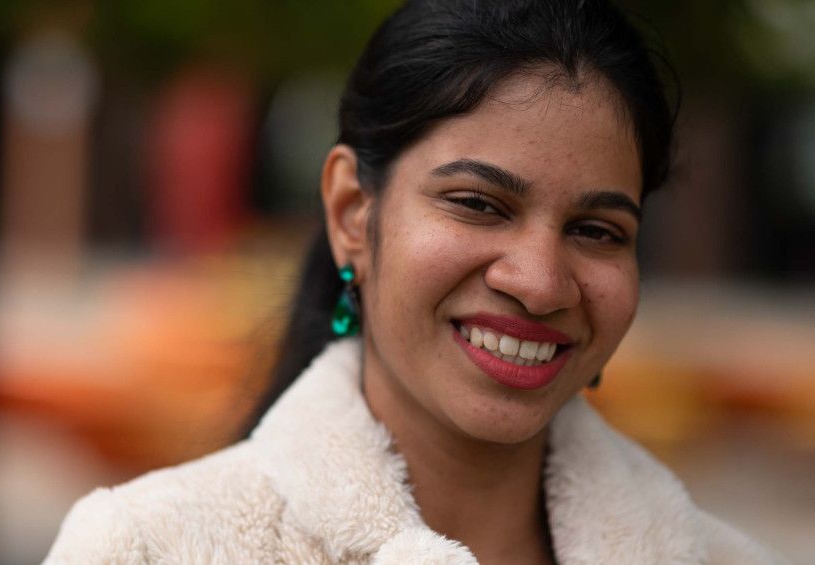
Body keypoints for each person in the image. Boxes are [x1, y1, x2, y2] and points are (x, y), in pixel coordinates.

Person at [45, 1, 786, 563]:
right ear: (350, 213)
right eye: (478, 204)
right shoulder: (150, 547)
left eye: (597, 230)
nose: (539, 282)